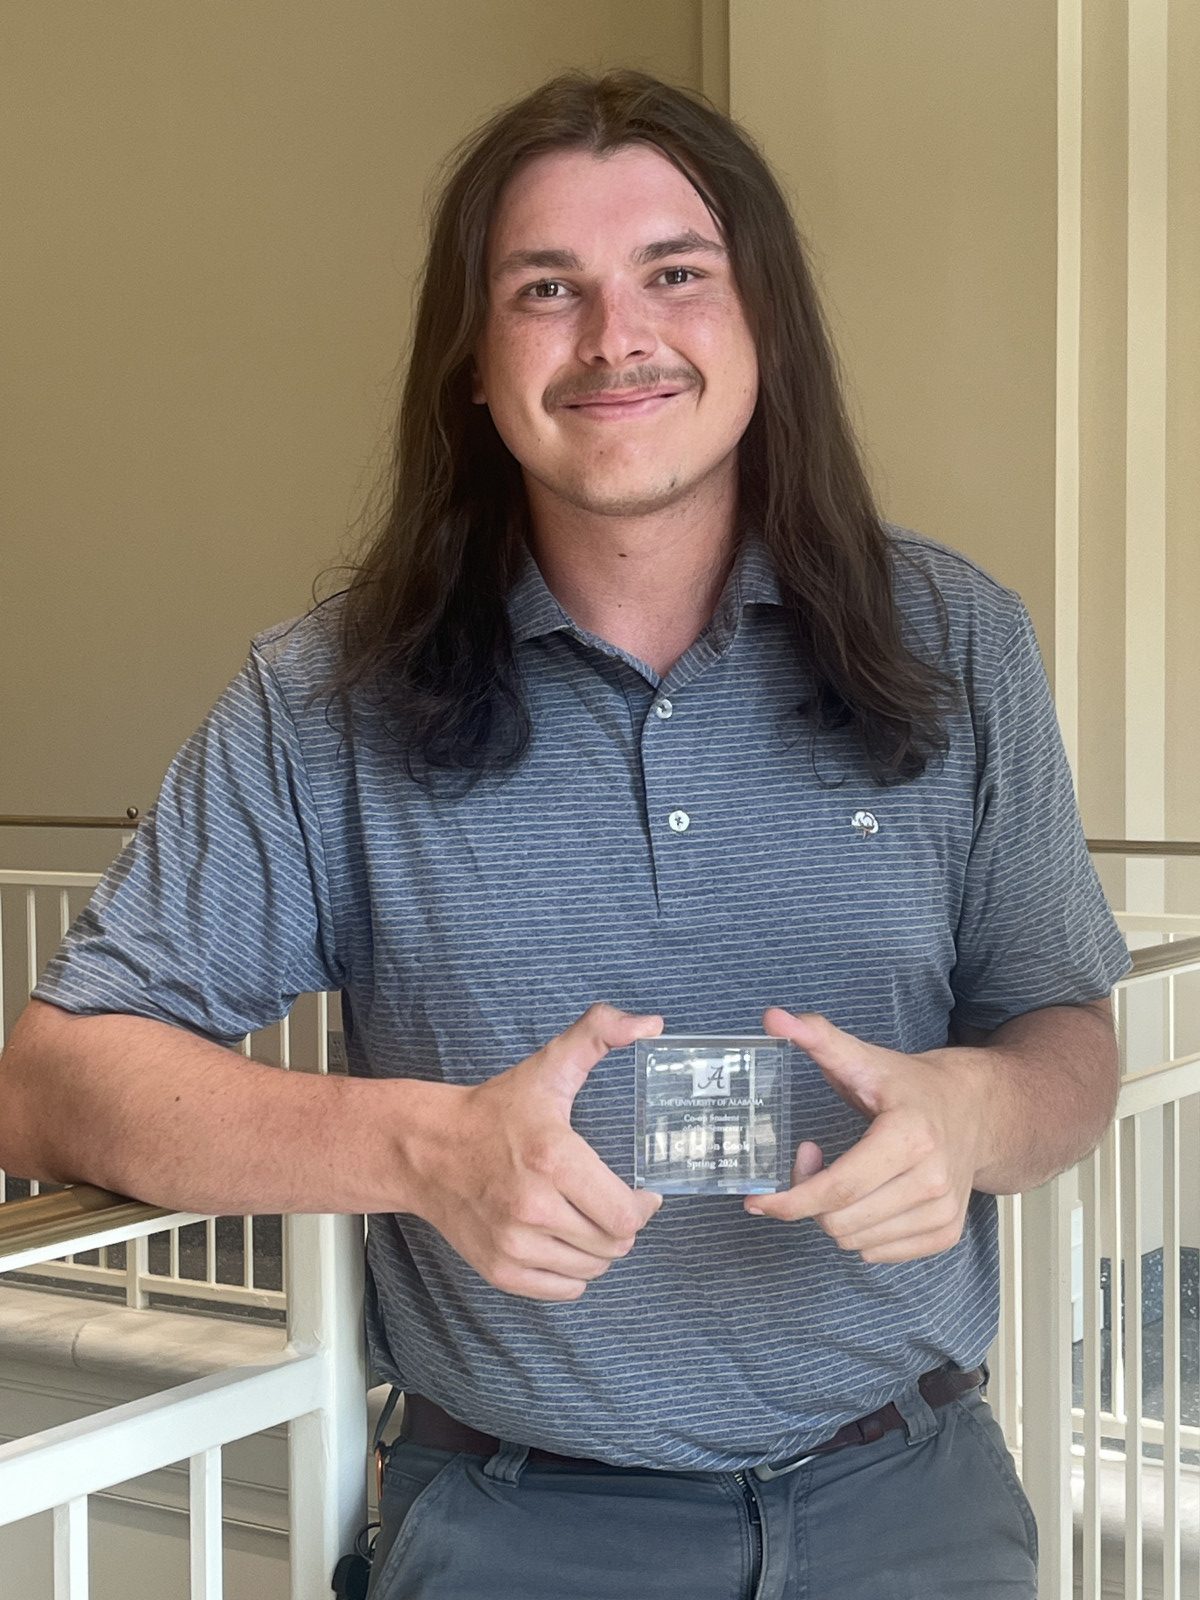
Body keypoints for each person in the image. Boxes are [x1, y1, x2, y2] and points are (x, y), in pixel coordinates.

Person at [0, 70, 1130, 1598]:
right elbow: (57, 1080)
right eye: (548, 289)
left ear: (764, 328)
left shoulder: (957, 638)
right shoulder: (323, 696)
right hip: (519, 1531)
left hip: (913, 1508)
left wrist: (971, 1119)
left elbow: (1064, 1035)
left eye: (675, 272)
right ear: (473, 360)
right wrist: (425, 1148)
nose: (616, 336)